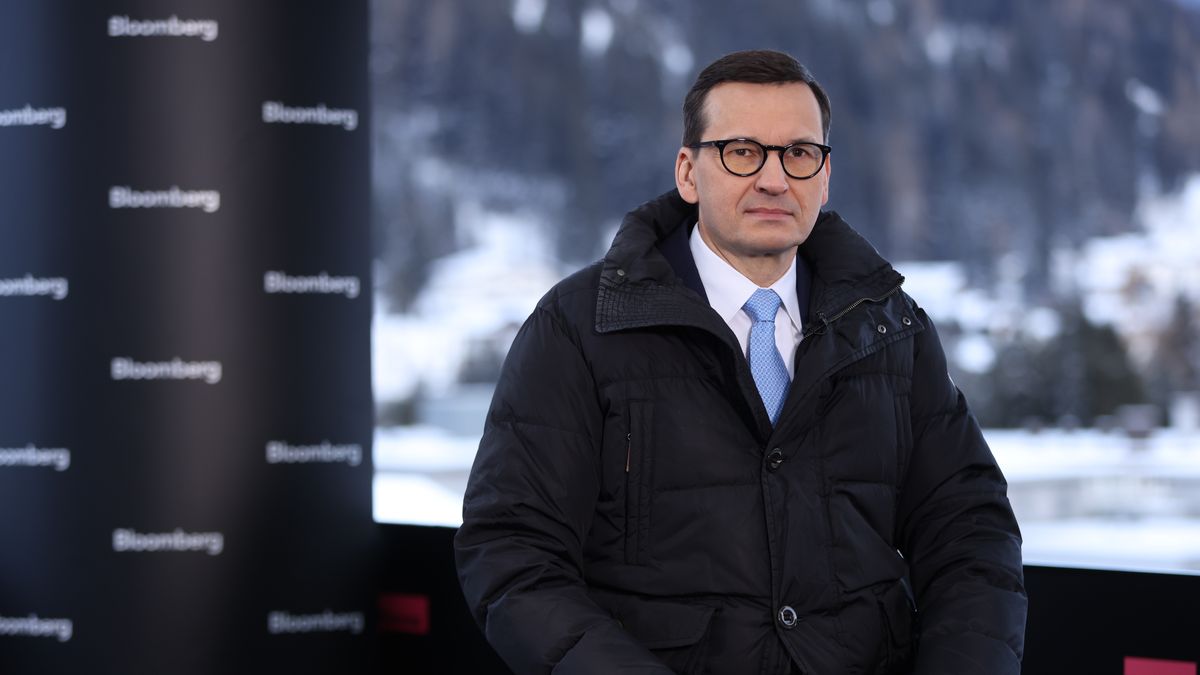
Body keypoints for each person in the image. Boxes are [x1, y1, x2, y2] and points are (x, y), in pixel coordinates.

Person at [454, 49, 1026, 674]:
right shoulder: (580, 327)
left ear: (825, 176)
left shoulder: (889, 327)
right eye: (743, 151)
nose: (775, 179)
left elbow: (969, 531)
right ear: (688, 172)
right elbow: (513, 552)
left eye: (799, 153)